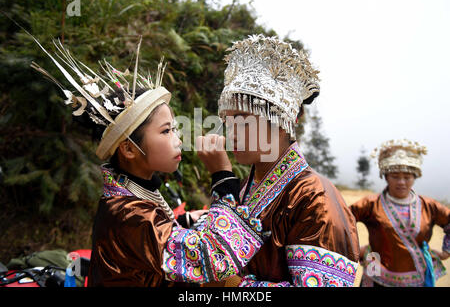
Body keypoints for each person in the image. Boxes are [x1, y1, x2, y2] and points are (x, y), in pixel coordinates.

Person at [29, 36, 267, 286]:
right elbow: (210, 259)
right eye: (166, 131)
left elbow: (157, 236)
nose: (177, 140)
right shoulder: (127, 214)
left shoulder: (131, 194)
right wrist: (223, 177)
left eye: (175, 129)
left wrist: (184, 221)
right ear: (129, 149)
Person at [206, 34, 360, 287]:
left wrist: (232, 285)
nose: (232, 133)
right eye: (227, 122)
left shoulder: (316, 198)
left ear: (280, 123)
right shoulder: (247, 187)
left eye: (244, 120)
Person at [350, 139, 450, 287]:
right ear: (385, 177)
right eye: (395, 177)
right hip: (375, 266)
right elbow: (342, 221)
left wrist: (446, 252)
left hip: (416, 273)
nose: (401, 182)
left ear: (414, 178)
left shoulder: (429, 206)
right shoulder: (370, 204)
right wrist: (355, 249)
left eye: (407, 177)